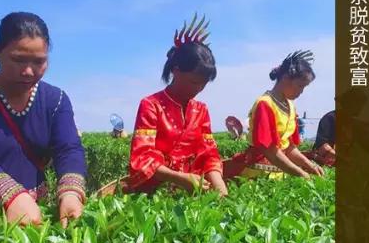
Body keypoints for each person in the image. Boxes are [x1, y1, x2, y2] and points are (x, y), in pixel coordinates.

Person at [0, 12, 87, 227]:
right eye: (18, 60)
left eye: (39, 62)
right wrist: (11, 196)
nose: (28, 71)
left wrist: (70, 194)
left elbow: (68, 148)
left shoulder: (56, 99)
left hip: (35, 215)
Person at [125, 14, 228, 196]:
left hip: (193, 192)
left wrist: (219, 184)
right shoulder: (151, 105)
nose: (199, 89)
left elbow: (208, 153)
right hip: (154, 193)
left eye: (203, 84)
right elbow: (142, 157)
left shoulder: (201, 110)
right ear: (176, 71)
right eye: (193, 82)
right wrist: (179, 178)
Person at [224, 50, 324, 180]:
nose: (301, 91)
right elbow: (269, 150)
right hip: (257, 175)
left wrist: (310, 166)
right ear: (285, 78)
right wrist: (300, 172)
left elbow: (288, 147)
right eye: (300, 86)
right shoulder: (265, 104)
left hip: (279, 174)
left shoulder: (291, 106)